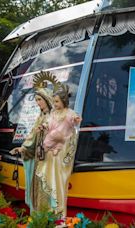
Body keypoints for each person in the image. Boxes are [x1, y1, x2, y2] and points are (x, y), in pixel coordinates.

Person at [35, 83, 81, 217]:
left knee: (59, 179)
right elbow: (48, 123)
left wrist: (76, 119)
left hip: (62, 150)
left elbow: (74, 119)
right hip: (51, 152)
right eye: (53, 101)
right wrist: (43, 127)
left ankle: (59, 211)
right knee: (50, 177)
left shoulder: (69, 113)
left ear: (64, 101)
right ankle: (51, 208)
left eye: (56, 101)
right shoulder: (53, 113)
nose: (54, 104)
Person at [10, 80, 53, 213]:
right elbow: (32, 136)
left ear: (47, 99)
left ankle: (48, 217)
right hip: (39, 158)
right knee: (36, 188)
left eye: (40, 99)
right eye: (36, 100)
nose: (38, 103)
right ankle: (38, 216)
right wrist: (22, 148)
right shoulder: (40, 117)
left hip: (50, 159)